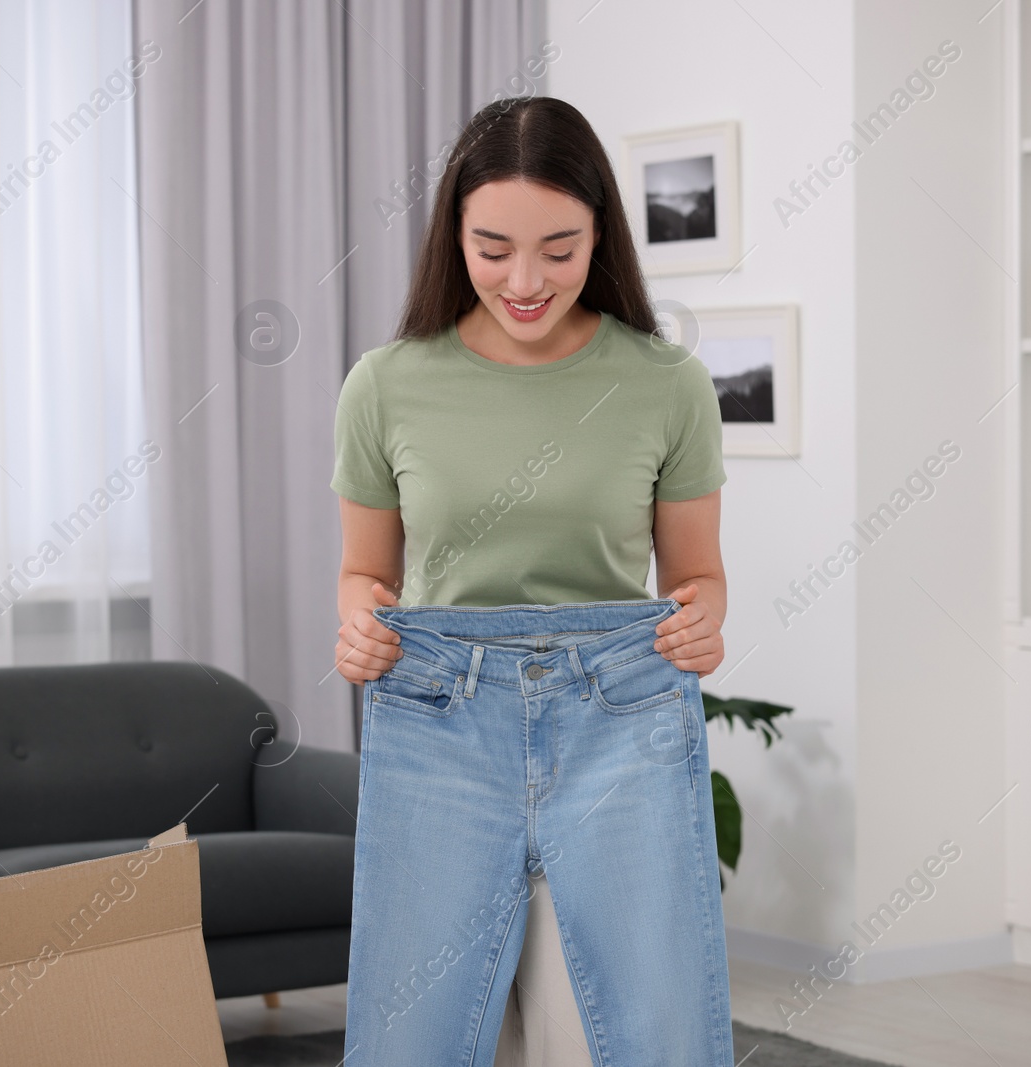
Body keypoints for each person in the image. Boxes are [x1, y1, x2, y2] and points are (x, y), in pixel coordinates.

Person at [330, 95, 733, 1067]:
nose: (524, 279)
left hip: (621, 712)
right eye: (491, 246)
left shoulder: (665, 381)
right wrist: (356, 623)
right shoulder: (385, 383)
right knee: (409, 1030)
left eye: (559, 248)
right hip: (439, 714)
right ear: (451, 236)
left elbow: (697, 576)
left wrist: (703, 622)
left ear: (601, 233)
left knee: (654, 1017)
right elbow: (363, 571)